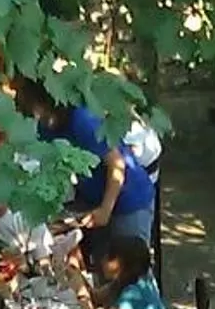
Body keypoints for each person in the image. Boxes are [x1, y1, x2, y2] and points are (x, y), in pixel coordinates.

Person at [20, 81, 156, 245]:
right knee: (102, 264)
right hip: (94, 200)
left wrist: (105, 209)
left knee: (129, 265)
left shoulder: (82, 120)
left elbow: (117, 163)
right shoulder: (44, 128)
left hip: (129, 200)